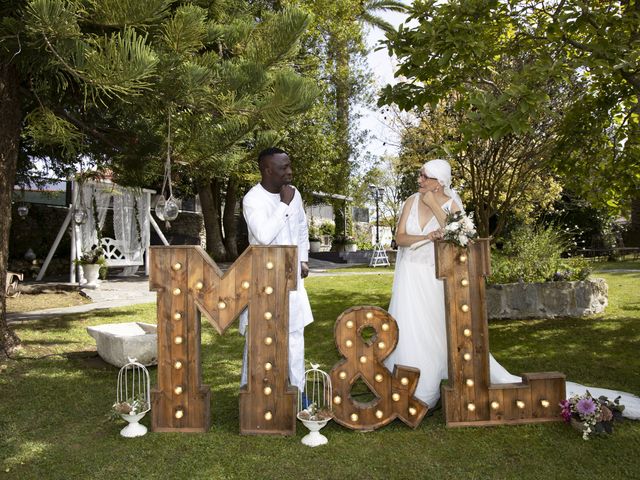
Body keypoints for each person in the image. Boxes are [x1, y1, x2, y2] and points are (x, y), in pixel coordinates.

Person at [384, 159, 640, 419]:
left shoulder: (451, 204)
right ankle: (409, 389)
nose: (420, 180)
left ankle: (426, 393)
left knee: (435, 331)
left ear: (440, 182)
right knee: (411, 328)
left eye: (425, 176)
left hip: (437, 279)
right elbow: (401, 238)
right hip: (411, 276)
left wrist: (433, 205)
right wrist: (425, 236)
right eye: (420, 175)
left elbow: (459, 237)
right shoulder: (410, 201)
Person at [239, 147, 313, 394]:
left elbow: (302, 227)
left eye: (290, 166)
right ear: (267, 170)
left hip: (291, 278)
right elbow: (264, 236)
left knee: (294, 336)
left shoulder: (295, 194)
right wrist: (284, 204)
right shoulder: (253, 199)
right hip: (264, 281)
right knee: (261, 336)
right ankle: (254, 390)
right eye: (284, 168)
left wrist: (302, 258)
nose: (289, 172)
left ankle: (298, 393)